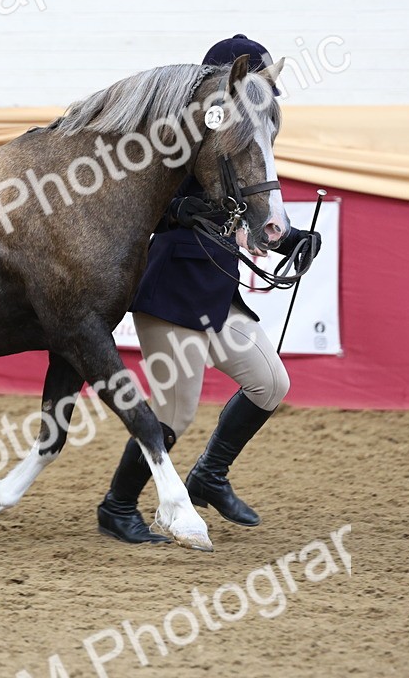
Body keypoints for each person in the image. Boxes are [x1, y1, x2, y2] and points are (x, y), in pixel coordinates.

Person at [96, 34, 321, 544]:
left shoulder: (241, 147)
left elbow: (257, 213)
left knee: (270, 384)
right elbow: (139, 203)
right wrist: (176, 209)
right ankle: (117, 506)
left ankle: (208, 476)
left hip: (218, 293)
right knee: (176, 412)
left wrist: (293, 240)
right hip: (173, 294)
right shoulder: (176, 139)